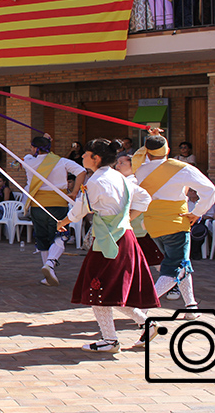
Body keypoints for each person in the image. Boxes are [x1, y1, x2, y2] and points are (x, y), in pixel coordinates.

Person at [55, 139, 159, 353]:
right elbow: (144, 198)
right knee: (109, 289)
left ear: (96, 158)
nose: (82, 157)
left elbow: (80, 209)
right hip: (123, 236)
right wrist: (127, 218)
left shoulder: (97, 181)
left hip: (108, 241)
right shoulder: (120, 177)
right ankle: (145, 324)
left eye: (86, 154)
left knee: (98, 289)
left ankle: (110, 340)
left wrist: (63, 222)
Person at [133, 132, 215, 317]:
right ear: (168, 150)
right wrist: (197, 212)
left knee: (181, 264)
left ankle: (191, 306)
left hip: (152, 224)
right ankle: (143, 306)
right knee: (174, 268)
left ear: (147, 152)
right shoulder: (182, 168)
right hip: (175, 223)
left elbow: (139, 155)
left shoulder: (140, 168)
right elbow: (209, 190)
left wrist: (150, 137)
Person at [23, 135, 86, 286]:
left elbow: (29, 156)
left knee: (43, 238)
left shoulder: (28, 162)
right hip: (58, 204)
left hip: (37, 205)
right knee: (60, 234)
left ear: (35, 148)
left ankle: (48, 273)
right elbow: (82, 171)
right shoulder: (61, 161)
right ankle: (50, 264)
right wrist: (75, 191)